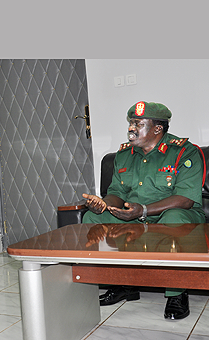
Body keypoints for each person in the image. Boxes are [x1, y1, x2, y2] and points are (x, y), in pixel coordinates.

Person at [82, 101, 205, 320]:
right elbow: (117, 193)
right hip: (135, 216)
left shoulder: (184, 152)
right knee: (93, 217)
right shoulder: (123, 155)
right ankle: (122, 284)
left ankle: (177, 292)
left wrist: (144, 210)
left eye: (138, 123)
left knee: (174, 218)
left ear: (158, 128)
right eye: (131, 122)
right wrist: (102, 204)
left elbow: (185, 199)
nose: (131, 127)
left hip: (177, 216)